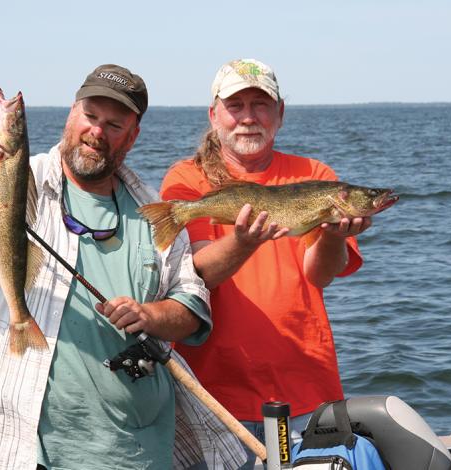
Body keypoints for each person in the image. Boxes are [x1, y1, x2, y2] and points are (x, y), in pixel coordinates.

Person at [0, 64, 245, 470]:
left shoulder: (155, 213)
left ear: (132, 137)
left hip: (127, 453)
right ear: (71, 114)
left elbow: (191, 308)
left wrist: (148, 315)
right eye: (91, 116)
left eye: (114, 125)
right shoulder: (23, 176)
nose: (98, 132)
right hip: (10, 448)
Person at [160, 58, 375, 469]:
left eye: (260, 105)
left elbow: (320, 274)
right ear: (214, 114)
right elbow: (199, 273)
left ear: (280, 114)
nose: (248, 118)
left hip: (306, 388)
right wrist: (243, 242)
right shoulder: (187, 179)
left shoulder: (314, 174)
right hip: (215, 395)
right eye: (235, 105)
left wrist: (332, 233)